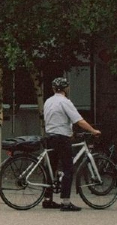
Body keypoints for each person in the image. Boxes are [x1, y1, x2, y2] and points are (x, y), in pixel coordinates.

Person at [43, 76, 100, 211]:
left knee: (51, 168)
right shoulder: (65, 102)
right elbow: (78, 120)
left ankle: (47, 199)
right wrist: (92, 130)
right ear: (66, 88)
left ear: (53, 89)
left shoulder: (48, 101)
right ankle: (66, 202)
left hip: (50, 136)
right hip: (62, 138)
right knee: (68, 168)